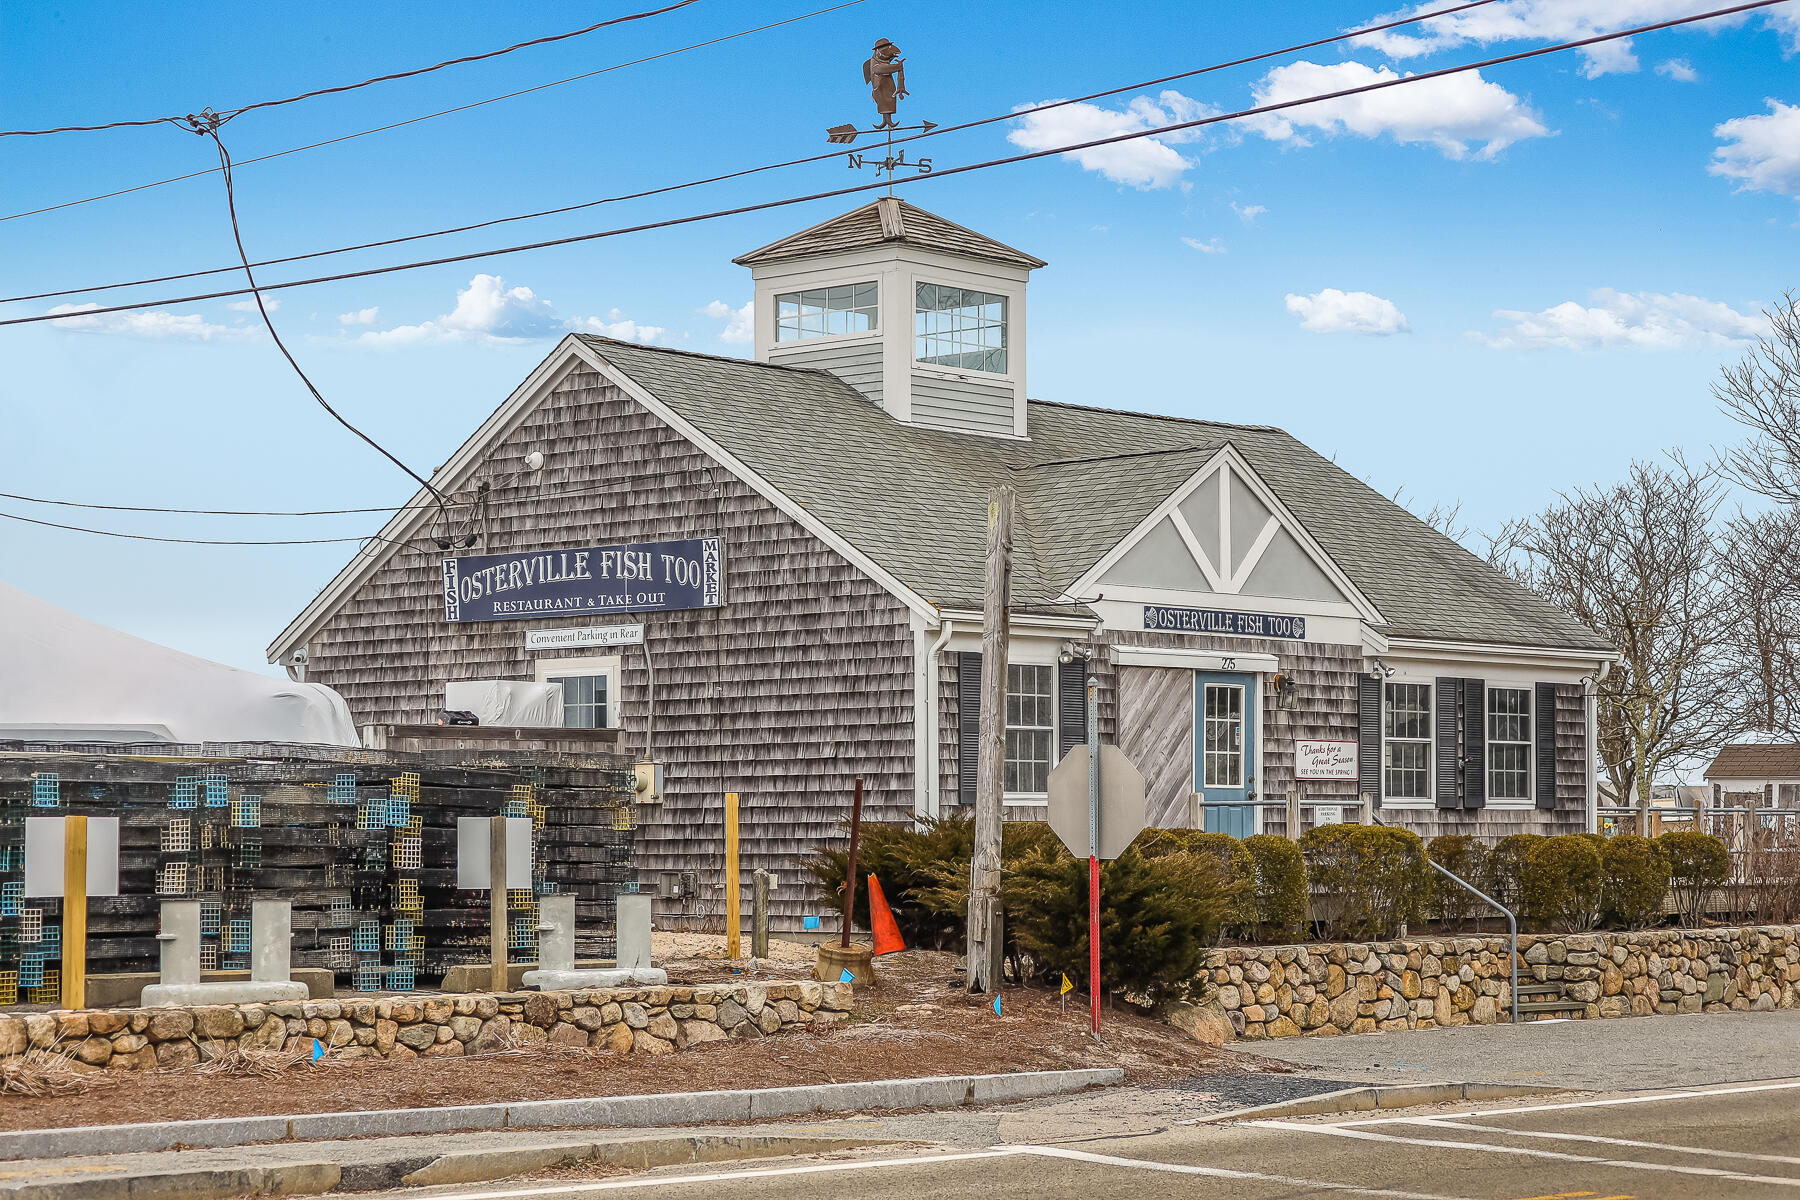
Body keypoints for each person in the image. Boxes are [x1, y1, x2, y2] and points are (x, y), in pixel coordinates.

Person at [862, 38, 907, 129]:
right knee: (884, 101)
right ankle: (886, 120)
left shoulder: (882, 60)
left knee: (890, 99)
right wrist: (897, 67)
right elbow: (879, 69)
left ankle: (888, 119)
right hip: (880, 89)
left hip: (889, 88)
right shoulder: (874, 63)